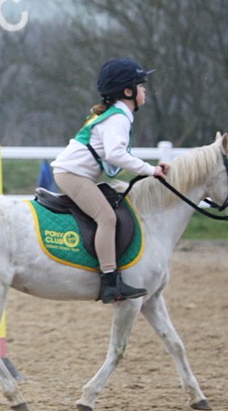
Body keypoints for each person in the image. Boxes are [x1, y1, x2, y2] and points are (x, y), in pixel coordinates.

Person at [51, 57, 170, 303]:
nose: (145, 89)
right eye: (141, 84)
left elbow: (115, 155)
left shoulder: (117, 115)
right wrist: (150, 171)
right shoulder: (119, 118)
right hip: (72, 175)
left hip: (72, 173)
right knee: (106, 217)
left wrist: (149, 169)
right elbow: (116, 154)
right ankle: (110, 282)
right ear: (128, 91)